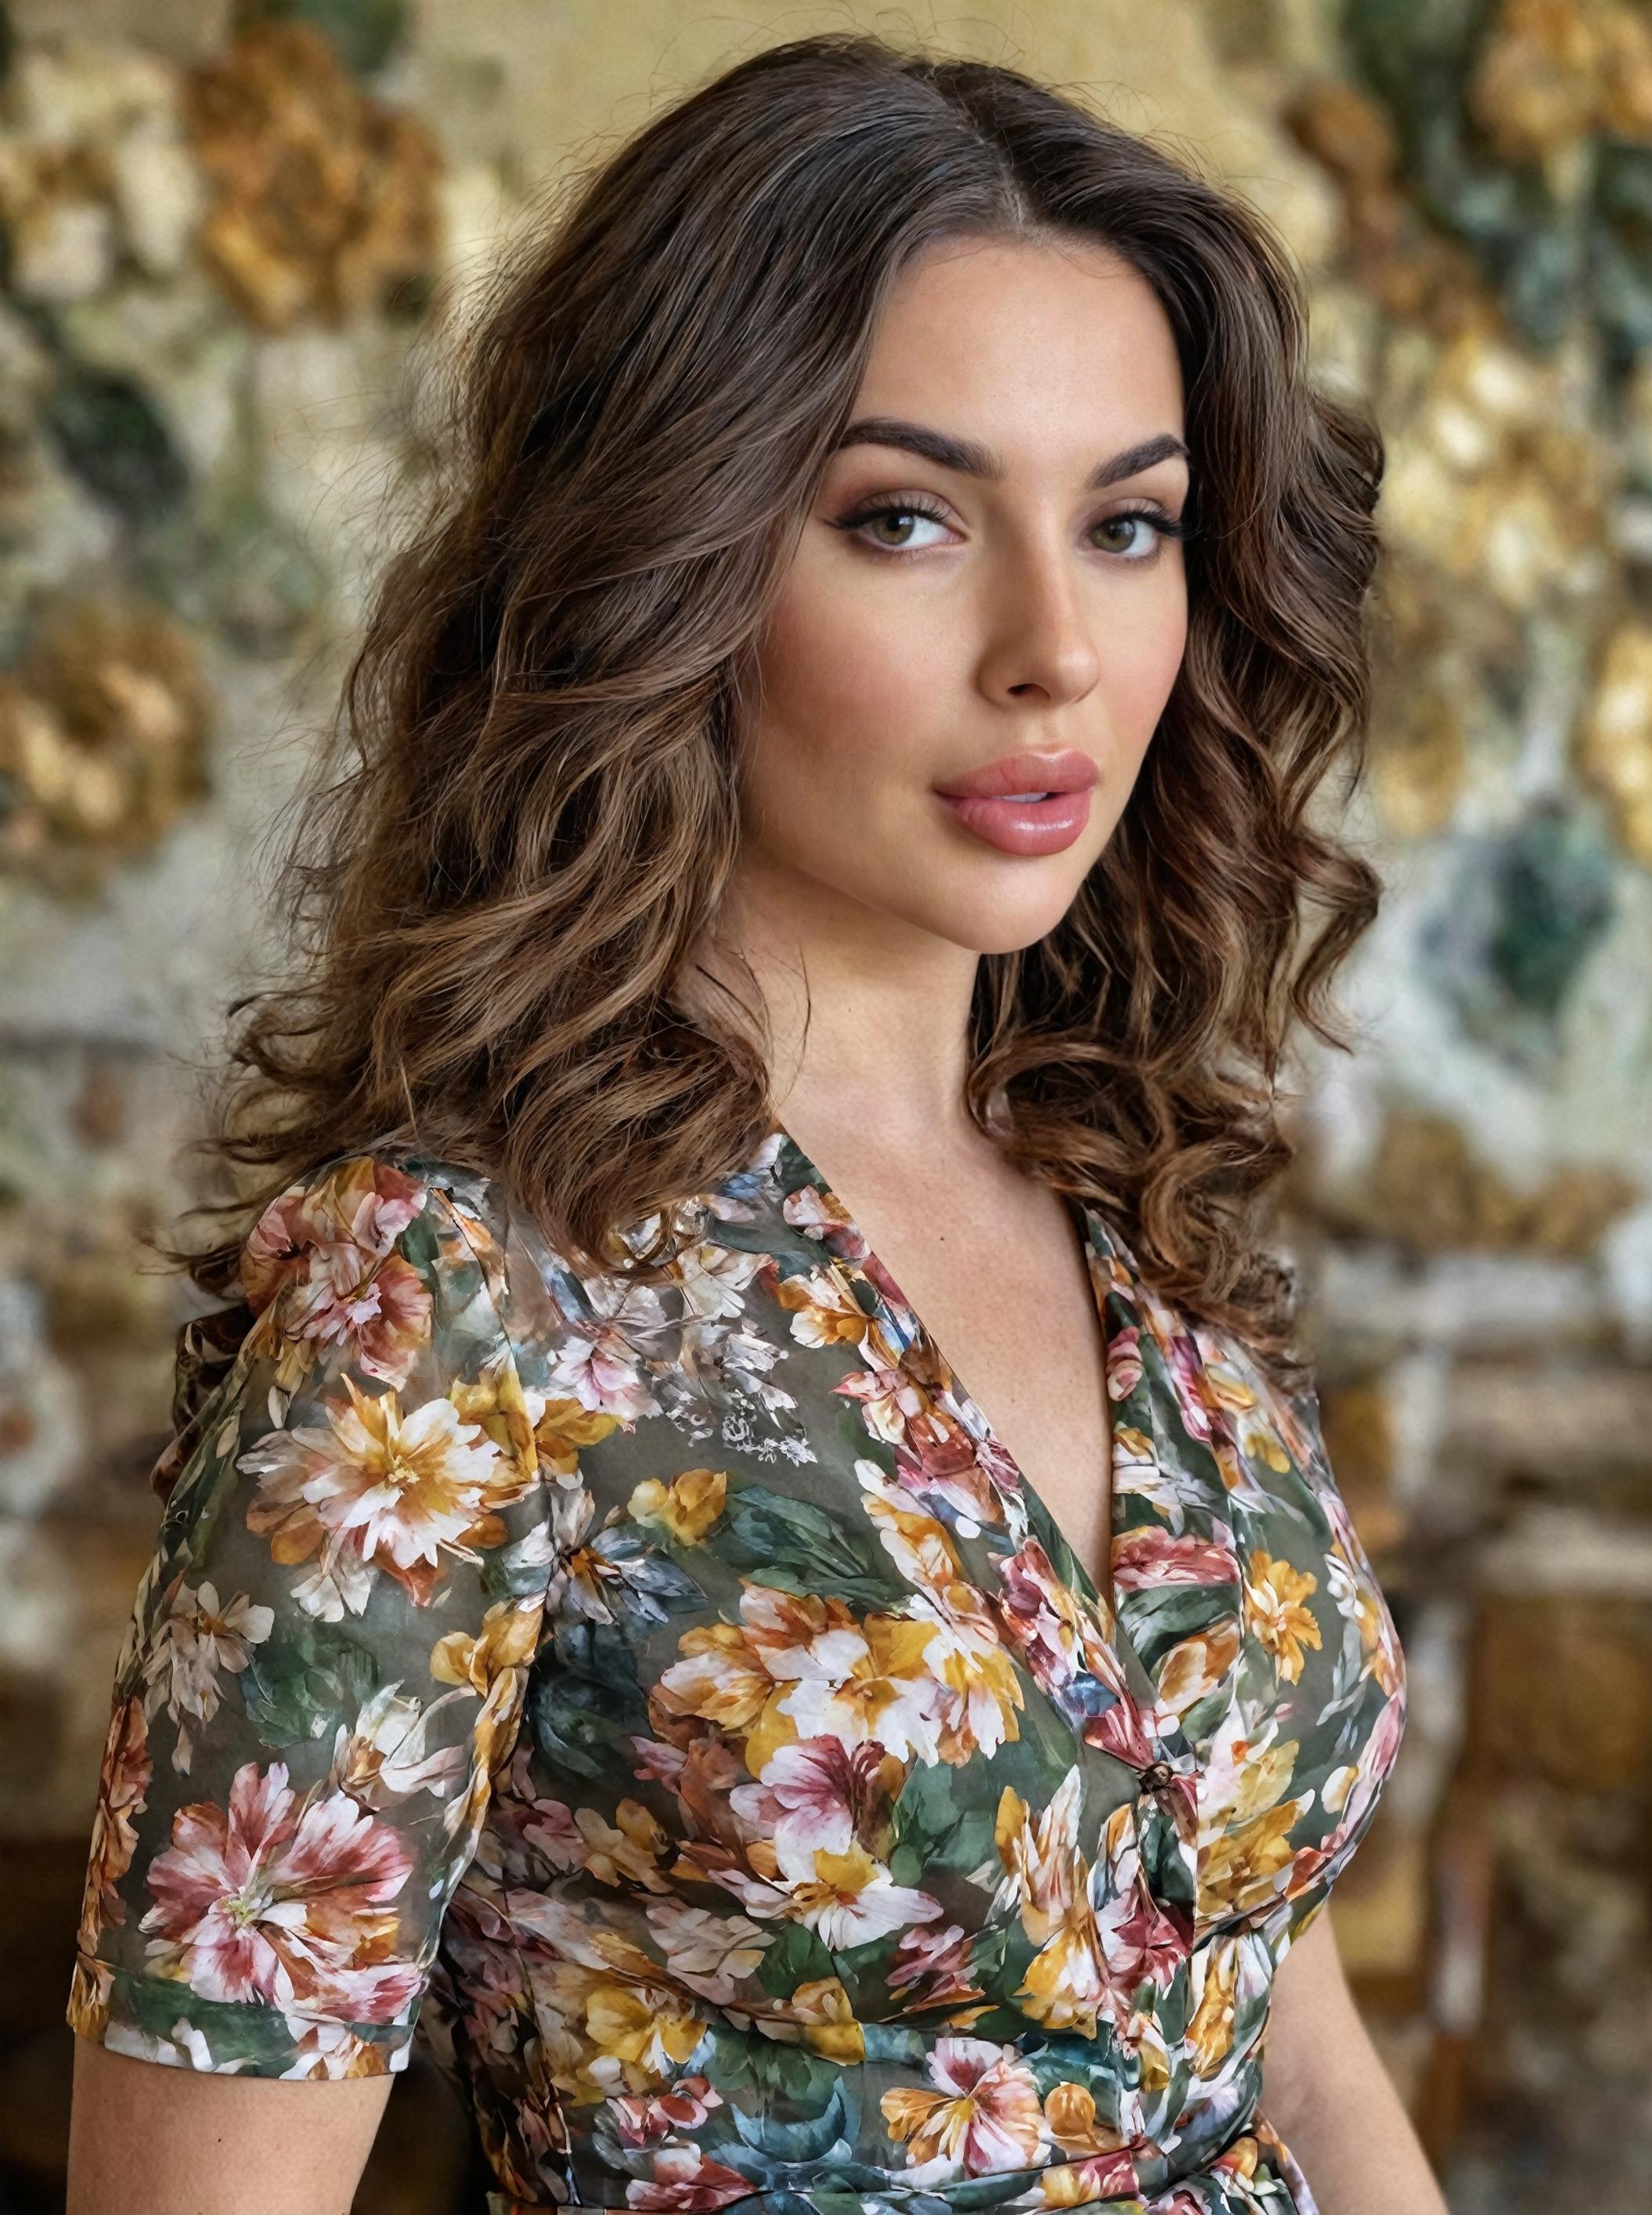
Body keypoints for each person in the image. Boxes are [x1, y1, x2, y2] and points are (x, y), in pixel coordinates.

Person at [63, 31, 1448, 2215]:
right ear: (675, 555)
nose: (1054, 651)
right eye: (903, 519)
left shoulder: (1142, 1212)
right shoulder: (440, 1312)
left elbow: (1283, 2020)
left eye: (1131, 525)